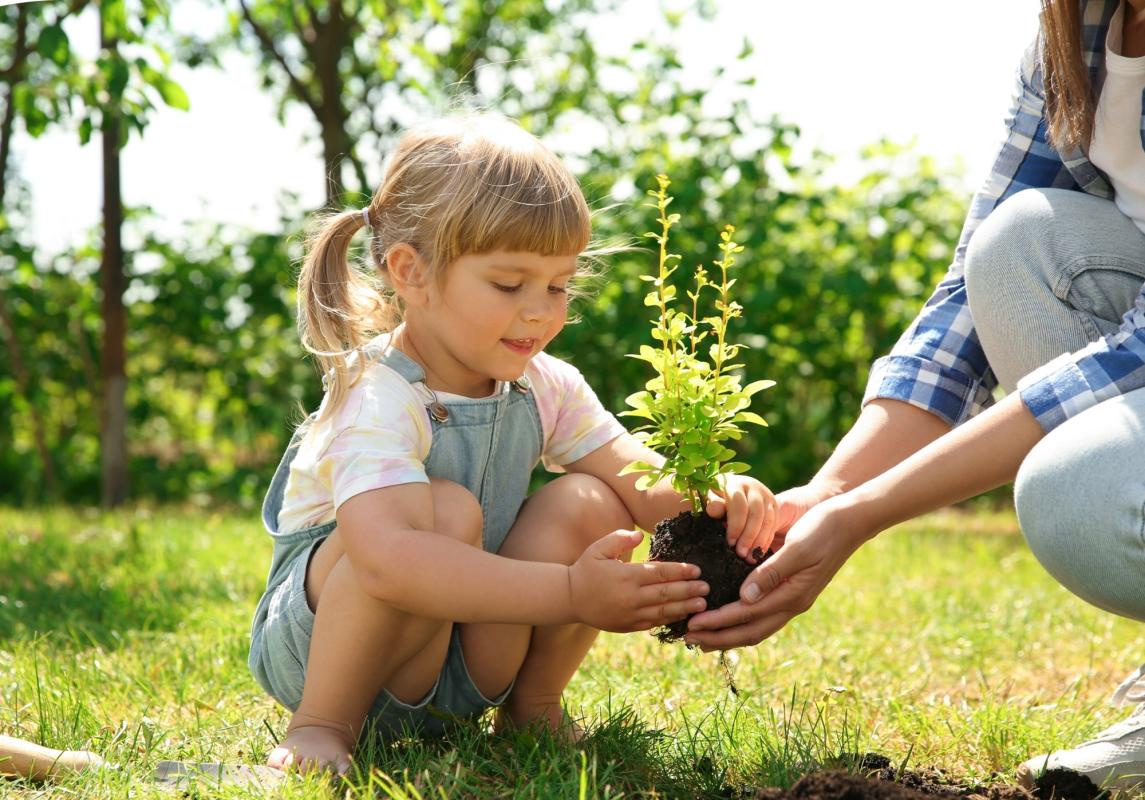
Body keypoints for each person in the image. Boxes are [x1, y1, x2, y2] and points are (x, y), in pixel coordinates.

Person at [687, 0, 1145, 793]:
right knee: (1018, 244)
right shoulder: (1076, 30)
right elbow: (969, 306)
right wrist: (827, 493)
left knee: (1077, 495)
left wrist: (864, 515)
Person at [247, 114, 780, 775]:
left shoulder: (542, 385)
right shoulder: (377, 395)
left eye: (558, 285)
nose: (541, 311)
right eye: (509, 284)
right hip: (332, 653)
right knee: (443, 512)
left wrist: (717, 497)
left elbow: (639, 481)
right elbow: (386, 563)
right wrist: (568, 593)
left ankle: (531, 710)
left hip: (463, 659)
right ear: (411, 273)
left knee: (591, 497)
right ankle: (320, 728)